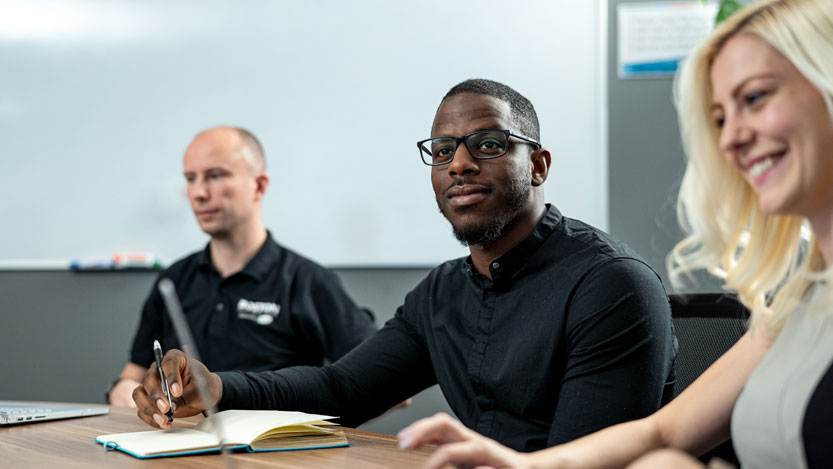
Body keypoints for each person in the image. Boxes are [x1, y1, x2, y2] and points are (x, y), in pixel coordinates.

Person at [397, 1, 833, 468]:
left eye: (755, 98)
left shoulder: (610, 280)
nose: (731, 138)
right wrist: (523, 465)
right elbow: (663, 432)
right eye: (720, 118)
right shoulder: (800, 301)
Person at [133, 80, 677, 452]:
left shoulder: (612, 286)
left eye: (488, 143)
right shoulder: (442, 294)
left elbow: (583, 462)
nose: (459, 163)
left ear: (537, 166)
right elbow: (342, 389)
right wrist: (218, 388)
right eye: (442, 151)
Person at [107, 126, 377, 407]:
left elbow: (379, 380)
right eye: (191, 178)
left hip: (275, 436)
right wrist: (127, 393)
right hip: (181, 435)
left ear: (259, 186)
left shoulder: (308, 282)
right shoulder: (173, 281)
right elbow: (133, 375)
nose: (198, 193)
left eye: (215, 176)